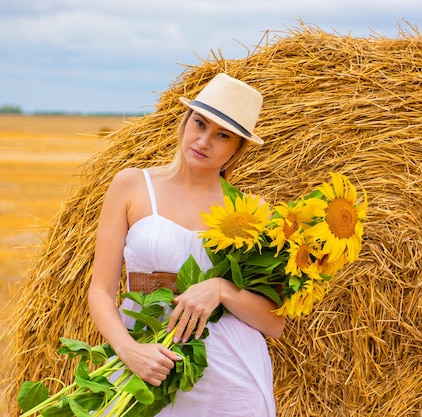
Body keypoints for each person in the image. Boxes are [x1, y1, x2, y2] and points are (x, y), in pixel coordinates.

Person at [88, 73, 285, 416]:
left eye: (222, 135)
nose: (204, 140)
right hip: (145, 359)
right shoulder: (132, 185)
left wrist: (221, 289)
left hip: (230, 375)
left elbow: (274, 323)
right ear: (185, 121)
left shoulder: (250, 215)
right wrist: (129, 351)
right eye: (199, 123)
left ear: (237, 148)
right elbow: (101, 291)